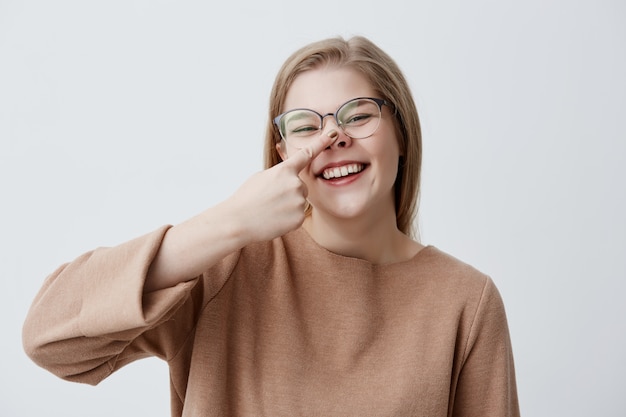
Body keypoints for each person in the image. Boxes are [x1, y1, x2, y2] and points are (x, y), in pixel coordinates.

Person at [23, 36, 520, 416]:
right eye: (306, 125)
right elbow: (50, 340)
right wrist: (229, 222)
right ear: (283, 153)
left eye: (357, 115)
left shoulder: (465, 301)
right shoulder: (223, 268)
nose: (333, 137)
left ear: (402, 133)